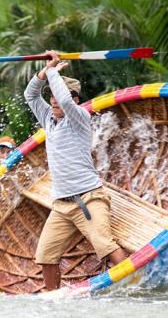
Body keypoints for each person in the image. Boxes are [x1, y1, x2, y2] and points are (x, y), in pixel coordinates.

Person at [24, 50, 126, 291]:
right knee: (45, 255)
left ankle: (136, 285)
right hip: (62, 204)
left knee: (105, 245)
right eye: (53, 97)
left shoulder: (79, 117)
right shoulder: (48, 119)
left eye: (63, 96)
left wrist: (52, 71)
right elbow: (30, 95)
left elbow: (66, 101)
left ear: (76, 99)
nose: (56, 101)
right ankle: (53, 298)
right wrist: (44, 72)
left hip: (90, 198)